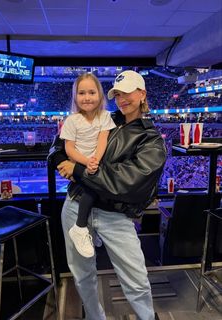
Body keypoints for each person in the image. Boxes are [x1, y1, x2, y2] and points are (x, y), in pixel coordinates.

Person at [49, 70, 167, 320]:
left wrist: (77, 168)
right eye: (118, 95)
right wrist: (60, 159)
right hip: (75, 206)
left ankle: (147, 317)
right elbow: (58, 146)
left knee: (135, 279)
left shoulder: (151, 140)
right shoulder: (102, 118)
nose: (122, 99)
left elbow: (125, 183)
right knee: (82, 275)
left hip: (115, 215)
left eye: (128, 94)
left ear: (142, 94)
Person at [59, 73, 116, 258]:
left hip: (96, 162)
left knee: (99, 188)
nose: (87, 97)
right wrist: (86, 162)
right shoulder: (72, 120)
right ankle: (81, 227)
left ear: (99, 95)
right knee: (91, 187)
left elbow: (102, 141)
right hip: (80, 163)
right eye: (81, 93)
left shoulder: (105, 116)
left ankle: (93, 231)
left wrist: (95, 161)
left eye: (92, 92)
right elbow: (69, 148)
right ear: (75, 97)